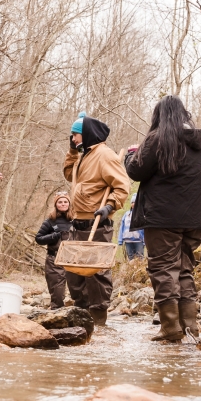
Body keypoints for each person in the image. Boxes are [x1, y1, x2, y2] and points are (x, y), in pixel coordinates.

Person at [125, 95, 201, 341]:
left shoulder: (158, 139)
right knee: (184, 269)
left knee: (163, 269)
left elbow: (136, 171)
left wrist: (130, 156)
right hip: (192, 219)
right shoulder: (198, 143)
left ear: (159, 115)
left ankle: (171, 328)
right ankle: (190, 326)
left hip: (162, 218)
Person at [61, 111, 130, 326]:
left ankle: (99, 319)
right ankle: (81, 314)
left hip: (97, 223)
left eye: (75, 135)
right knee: (74, 270)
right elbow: (68, 174)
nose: (73, 138)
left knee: (97, 273)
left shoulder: (105, 155)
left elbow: (122, 186)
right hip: (78, 223)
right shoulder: (85, 155)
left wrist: (109, 206)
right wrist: (72, 152)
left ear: (87, 134)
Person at [34, 192, 74, 309]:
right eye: (60, 202)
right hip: (54, 259)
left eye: (65, 202)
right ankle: (57, 312)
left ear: (69, 204)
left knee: (77, 287)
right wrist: (52, 237)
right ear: (56, 204)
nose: (63, 204)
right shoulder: (49, 221)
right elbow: (38, 239)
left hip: (72, 260)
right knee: (57, 289)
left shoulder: (75, 221)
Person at [118, 193, 145, 260]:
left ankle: (139, 270)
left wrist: (145, 241)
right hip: (128, 240)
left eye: (135, 202)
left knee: (140, 257)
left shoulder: (142, 214)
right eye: (132, 202)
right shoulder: (126, 214)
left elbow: (145, 229)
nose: (133, 204)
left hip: (139, 240)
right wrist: (120, 240)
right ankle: (131, 269)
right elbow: (122, 227)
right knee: (130, 257)